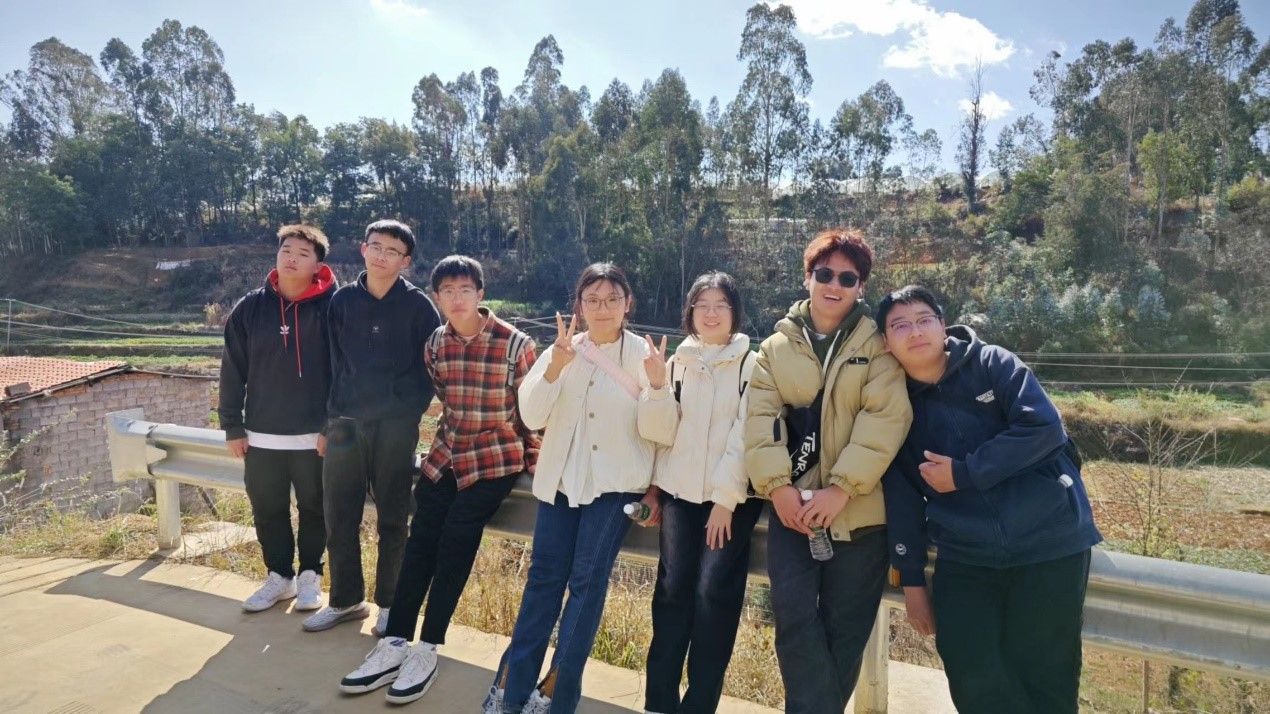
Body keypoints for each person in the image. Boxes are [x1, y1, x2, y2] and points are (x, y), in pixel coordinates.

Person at [877, 285, 1101, 714]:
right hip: (965, 555)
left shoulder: (992, 363)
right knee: (971, 674)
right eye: (900, 326)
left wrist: (963, 473)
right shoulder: (896, 406)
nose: (915, 332)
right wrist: (912, 580)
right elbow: (902, 497)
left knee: (1047, 677)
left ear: (943, 325)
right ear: (886, 343)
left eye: (924, 319)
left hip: (1048, 543)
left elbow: (1044, 429)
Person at [338, 255, 540, 705]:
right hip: (446, 455)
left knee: (456, 542)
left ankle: (427, 648)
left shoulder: (515, 345)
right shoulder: (435, 343)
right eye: (447, 291)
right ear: (437, 297)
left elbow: (532, 411)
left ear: (480, 293)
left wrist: (534, 458)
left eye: (465, 289)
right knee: (420, 542)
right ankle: (395, 641)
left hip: (493, 459)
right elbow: (443, 397)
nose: (457, 298)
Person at [484, 263, 672, 714]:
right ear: (579, 305)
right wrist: (555, 367)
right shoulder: (563, 349)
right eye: (592, 300)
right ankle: (511, 686)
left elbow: (662, 432)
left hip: (615, 489)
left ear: (628, 303)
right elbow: (532, 417)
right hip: (561, 484)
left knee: (587, 585)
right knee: (543, 582)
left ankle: (556, 694)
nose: (602, 308)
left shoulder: (646, 356)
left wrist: (658, 385)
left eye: (612, 299)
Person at [743, 228, 912, 714]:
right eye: (824, 274)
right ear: (807, 278)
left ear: (861, 286)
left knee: (845, 631)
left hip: (860, 515)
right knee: (794, 624)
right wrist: (778, 489)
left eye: (847, 277)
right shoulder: (775, 348)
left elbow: (885, 419)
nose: (834, 285)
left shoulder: (879, 345)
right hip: (792, 513)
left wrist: (841, 490)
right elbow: (760, 419)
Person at [303, 219, 442, 635]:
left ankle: (391, 604)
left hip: (395, 428)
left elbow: (429, 370)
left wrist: (406, 413)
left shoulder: (419, 307)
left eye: (392, 251)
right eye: (376, 247)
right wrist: (326, 423)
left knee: (393, 518)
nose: (382, 256)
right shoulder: (342, 301)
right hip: (344, 425)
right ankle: (346, 600)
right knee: (339, 515)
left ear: (406, 261)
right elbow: (330, 366)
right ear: (363, 250)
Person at [639, 271, 762, 714]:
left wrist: (726, 501)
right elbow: (660, 434)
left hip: (730, 501)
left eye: (720, 305)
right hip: (678, 493)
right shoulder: (676, 362)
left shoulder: (751, 365)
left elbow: (747, 435)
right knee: (672, 588)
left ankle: (700, 703)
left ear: (734, 312)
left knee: (712, 592)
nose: (711, 314)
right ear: (689, 312)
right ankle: (660, 701)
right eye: (702, 305)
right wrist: (656, 386)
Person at [219, 224, 337, 614]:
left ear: (317, 264)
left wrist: (331, 425)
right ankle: (279, 577)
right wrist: (232, 425)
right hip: (261, 434)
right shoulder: (250, 308)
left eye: (303, 254)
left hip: (314, 436)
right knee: (267, 508)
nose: (291, 258)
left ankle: (310, 576)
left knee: (315, 508)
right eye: (286, 250)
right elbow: (232, 368)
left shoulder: (333, 307)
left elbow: (345, 372)